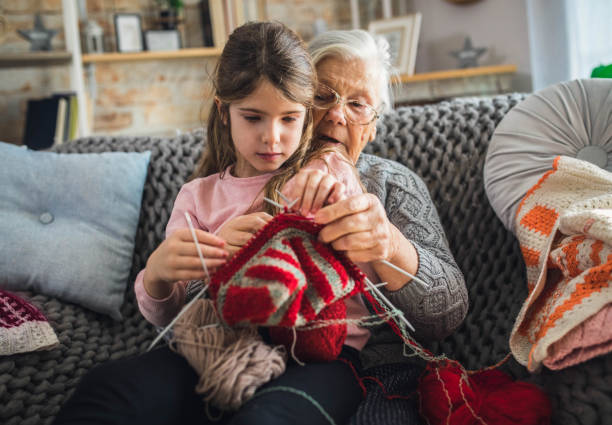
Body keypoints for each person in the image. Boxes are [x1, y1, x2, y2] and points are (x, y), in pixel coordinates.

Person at [52, 22, 366, 425]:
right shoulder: (198, 196)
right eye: (253, 117)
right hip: (219, 346)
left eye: (289, 119)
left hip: (324, 356)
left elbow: (365, 264)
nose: (272, 137)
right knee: (107, 389)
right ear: (223, 111)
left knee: (266, 418)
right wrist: (160, 274)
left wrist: (338, 209)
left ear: (307, 117)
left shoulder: (326, 171)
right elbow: (170, 313)